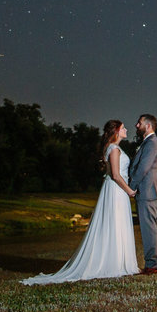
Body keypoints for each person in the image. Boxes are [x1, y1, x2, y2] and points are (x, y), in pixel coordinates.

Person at [21, 120, 139, 285]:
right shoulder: (114, 149)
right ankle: (113, 263)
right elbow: (115, 175)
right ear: (116, 132)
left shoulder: (113, 148)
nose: (126, 129)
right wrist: (129, 191)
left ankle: (118, 261)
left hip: (116, 190)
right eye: (123, 128)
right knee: (114, 223)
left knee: (116, 224)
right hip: (116, 191)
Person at [128, 113, 157, 274]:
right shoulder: (148, 142)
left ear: (148, 125)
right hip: (146, 192)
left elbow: (143, 168)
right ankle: (152, 263)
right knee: (148, 228)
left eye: (139, 122)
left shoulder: (152, 143)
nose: (136, 125)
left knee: (149, 229)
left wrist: (132, 186)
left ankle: (153, 265)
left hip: (148, 191)